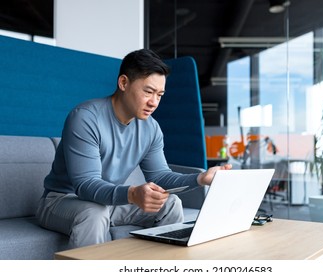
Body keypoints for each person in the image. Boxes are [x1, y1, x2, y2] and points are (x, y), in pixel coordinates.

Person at [36, 49, 231, 249]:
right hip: (62, 202)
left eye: (160, 95)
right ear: (123, 83)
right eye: (148, 92)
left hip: (107, 204)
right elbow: (86, 185)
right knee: (93, 213)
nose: (154, 102)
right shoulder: (85, 118)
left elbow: (161, 176)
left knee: (171, 204)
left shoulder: (151, 128)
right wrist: (131, 194)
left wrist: (200, 179)